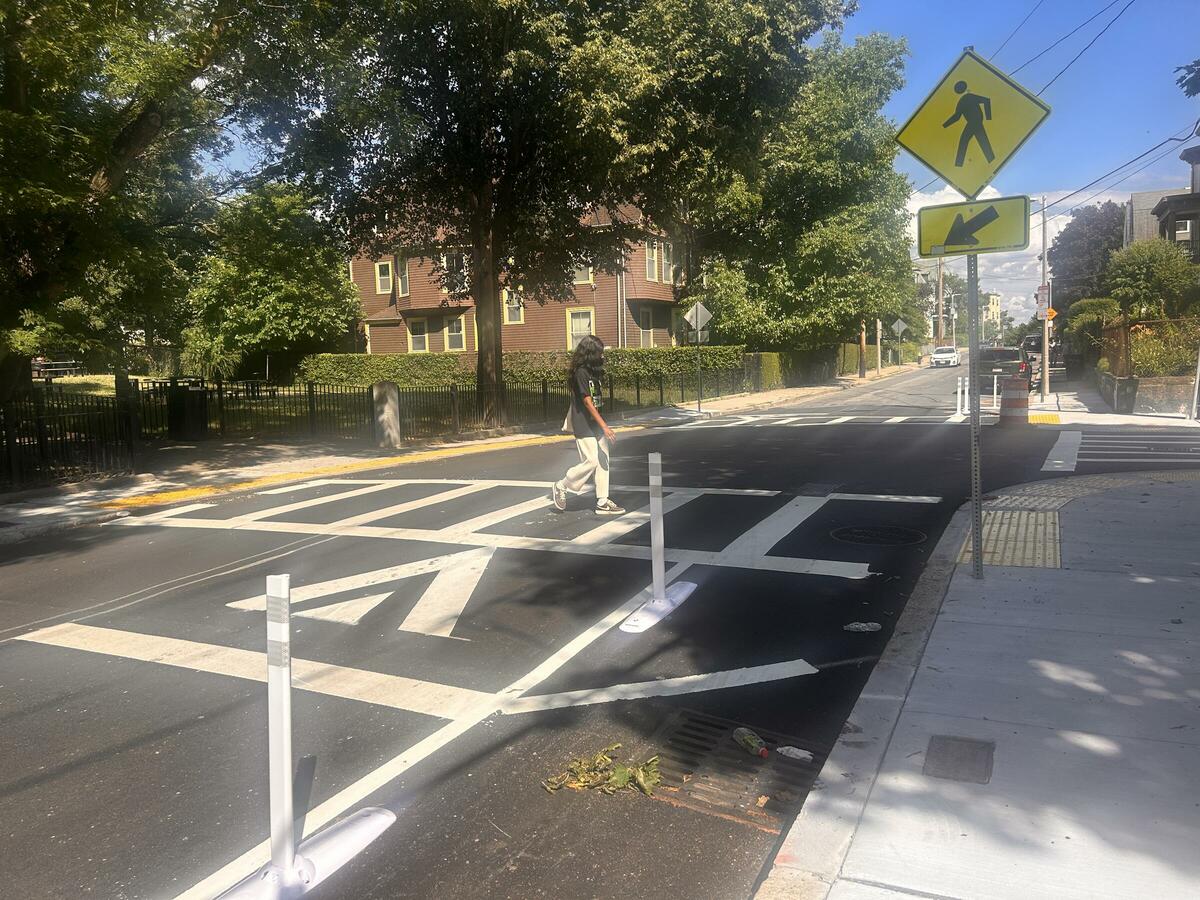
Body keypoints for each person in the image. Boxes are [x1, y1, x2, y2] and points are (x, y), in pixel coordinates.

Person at [552, 335, 625, 515]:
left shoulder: (594, 371)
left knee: (603, 459)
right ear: (590, 353)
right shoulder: (581, 373)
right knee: (591, 460)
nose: (602, 355)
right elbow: (587, 401)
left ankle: (602, 501)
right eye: (599, 352)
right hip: (583, 422)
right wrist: (605, 426)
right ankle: (562, 485)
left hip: (595, 421)